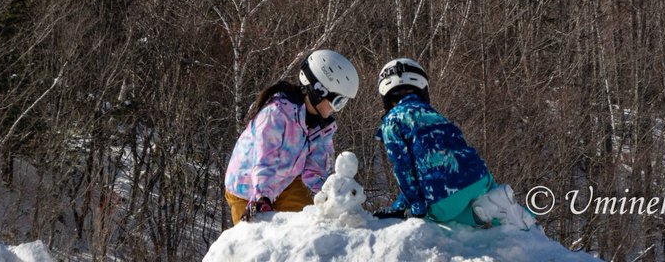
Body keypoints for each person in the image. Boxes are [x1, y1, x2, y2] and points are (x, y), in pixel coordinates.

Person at [374, 57, 536, 229]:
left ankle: (480, 216)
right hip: (478, 176)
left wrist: (416, 209)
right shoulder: (434, 115)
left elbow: (404, 169)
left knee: (440, 216)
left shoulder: (392, 121)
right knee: (486, 199)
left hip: (443, 195)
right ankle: (521, 222)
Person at [223, 49, 360, 224]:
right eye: (338, 102)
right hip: (247, 187)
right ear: (319, 92)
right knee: (258, 239)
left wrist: (332, 195)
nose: (337, 108)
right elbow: (264, 159)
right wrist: (262, 197)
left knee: (313, 224)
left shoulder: (322, 128)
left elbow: (314, 170)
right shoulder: (277, 114)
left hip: (285, 182)